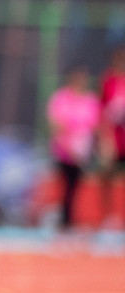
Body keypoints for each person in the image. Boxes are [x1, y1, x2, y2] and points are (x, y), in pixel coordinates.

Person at [48, 65, 99, 232]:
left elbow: (94, 126)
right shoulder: (61, 98)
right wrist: (69, 146)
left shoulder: (90, 100)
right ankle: (59, 220)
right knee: (62, 186)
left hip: (82, 153)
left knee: (75, 188)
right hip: (63, 151)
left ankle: (68, 221)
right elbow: (56, 125)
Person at [98, 47, 125, 228]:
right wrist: (105, 139)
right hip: (113, 137)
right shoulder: (108, 81)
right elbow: (102, 111)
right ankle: (108, 216)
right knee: (107, 176)